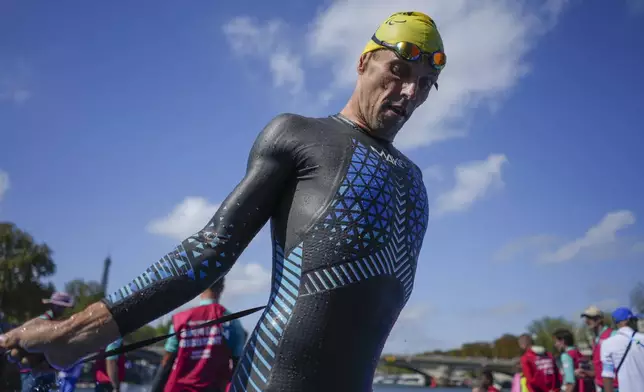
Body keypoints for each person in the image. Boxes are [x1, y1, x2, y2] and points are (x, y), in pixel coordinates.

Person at [0, 10, 445, 391]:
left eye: (426, 83)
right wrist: (75, 334)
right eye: (398, 72)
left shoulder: (416, 183)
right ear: (365, 62)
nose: (409, 93)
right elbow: (210, 250)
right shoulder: (299, 135)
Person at [151, 278, 245, 392]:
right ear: (221, 288)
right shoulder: (233, 323)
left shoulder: (180, 319)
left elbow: (167, 361)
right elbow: (238, 364)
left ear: (200, 289)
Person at [19, 292, 75, 392]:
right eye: (60, 307)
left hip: (46, 369)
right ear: (52, 305)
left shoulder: (57, 323)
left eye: (64, 307)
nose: (63, 310)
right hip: (32, 369)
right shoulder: (41, 321)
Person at [600, 307, 644, 392]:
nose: (636, 322)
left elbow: (607, 376)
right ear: (628, 321)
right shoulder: (641, 340)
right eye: (634, 320)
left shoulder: (607, 344)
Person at [579, 305, 617, 391]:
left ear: (599, 319)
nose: (586, 321)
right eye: (586, 318)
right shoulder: (595, 339)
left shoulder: (613, 334)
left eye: (590, 318)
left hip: (613, 386)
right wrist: (587, 373)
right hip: (601, 385)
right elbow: (599, 367)